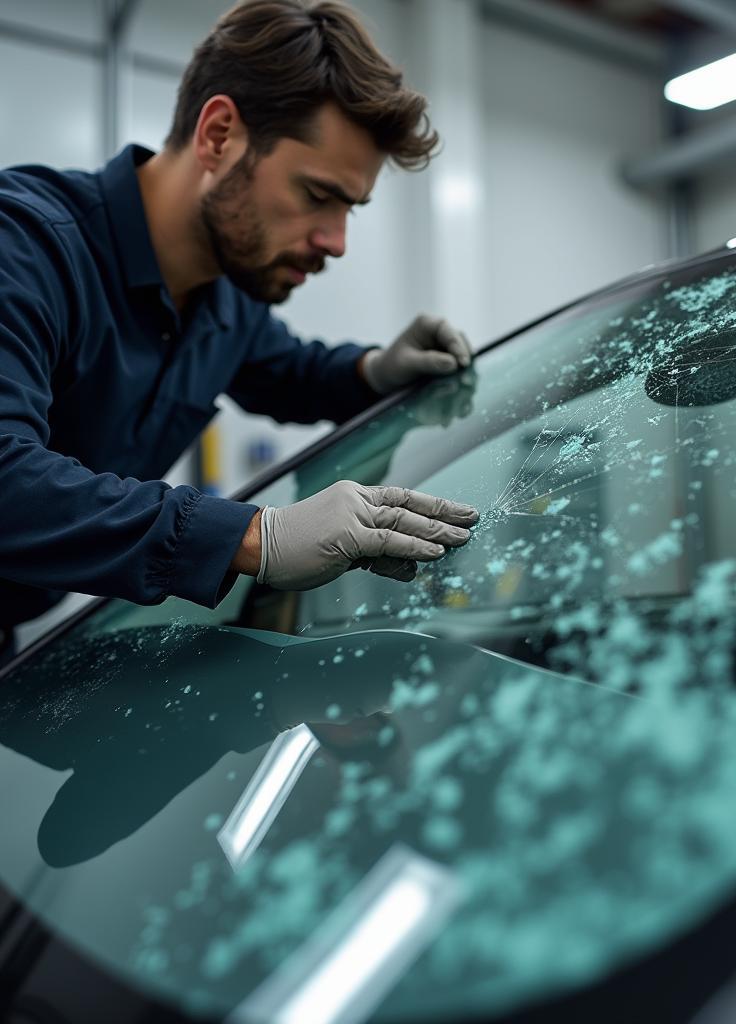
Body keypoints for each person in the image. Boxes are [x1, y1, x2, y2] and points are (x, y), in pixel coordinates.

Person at [0, 0, 482, 667]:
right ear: (220, 134)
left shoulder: (224, 301)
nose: (336, 242)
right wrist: (256, 536)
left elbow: (290, 371)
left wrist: (374, 370)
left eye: (351, 208)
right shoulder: (24, 250)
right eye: (318, 195)